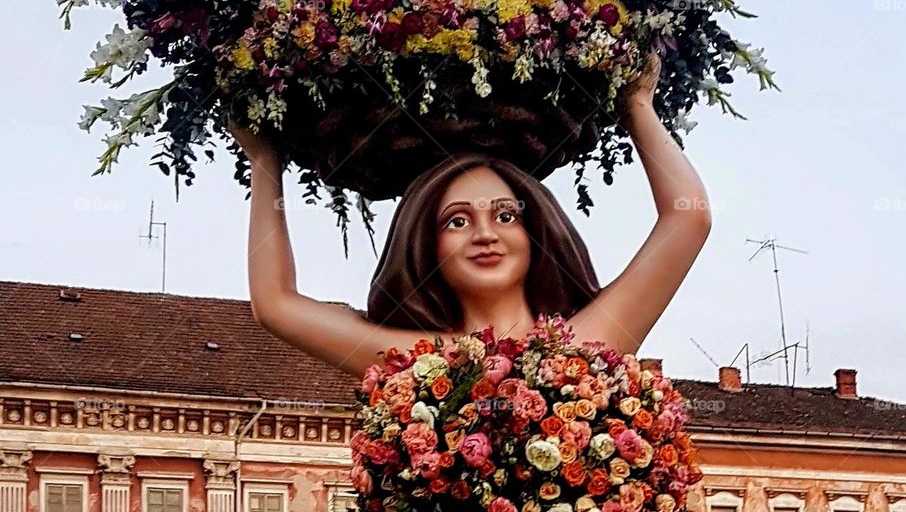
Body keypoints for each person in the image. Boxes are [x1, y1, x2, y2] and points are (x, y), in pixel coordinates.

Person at [228, 51, 712, 377]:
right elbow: (275, 305)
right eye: (457, 221)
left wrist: (637, 107)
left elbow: (688, 218)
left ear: (537, 232)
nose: (485, 234)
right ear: (425, 245)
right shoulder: (418, 359)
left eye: (505, 216)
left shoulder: (589, 340)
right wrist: (264, 160)